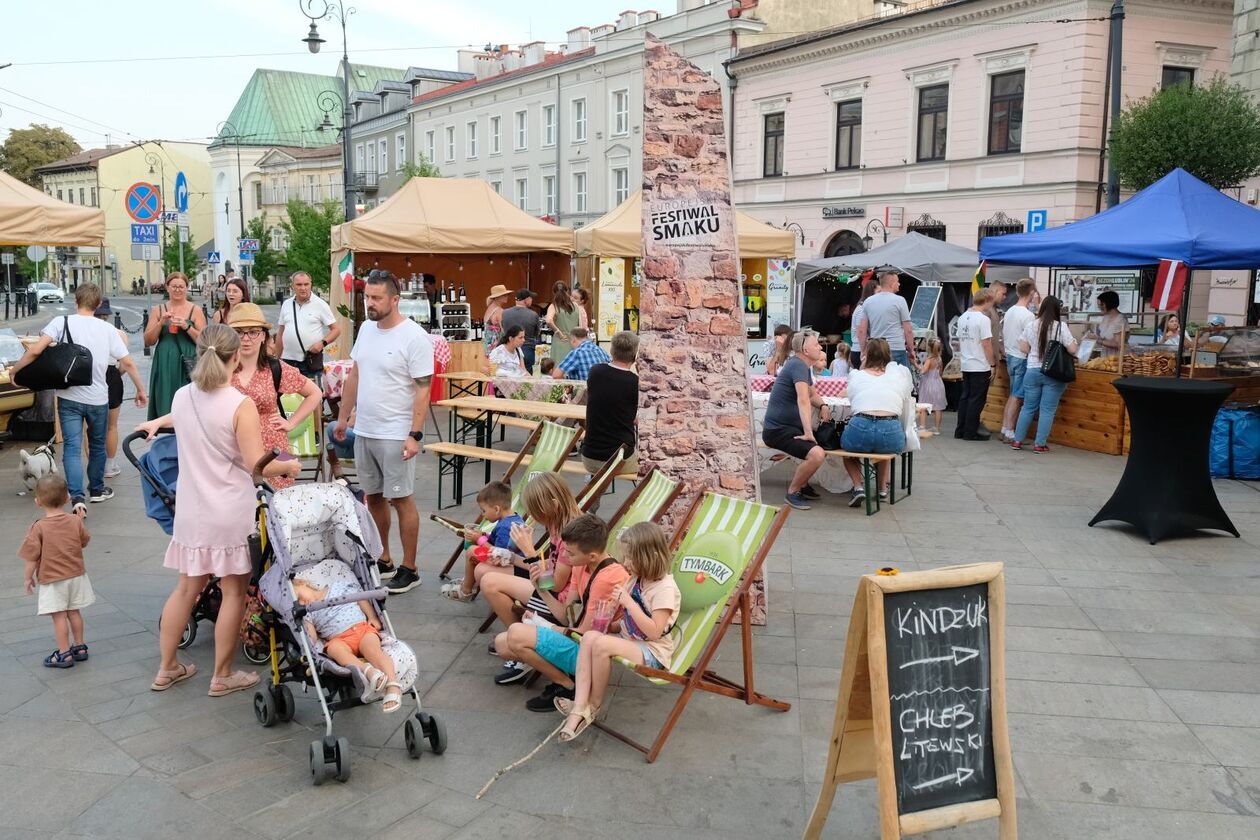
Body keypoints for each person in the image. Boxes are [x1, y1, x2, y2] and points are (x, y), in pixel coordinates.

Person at [136, 324, 300, 696]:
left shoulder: (182, 396)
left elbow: (184, 421)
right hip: (228, 509)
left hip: (192, 509)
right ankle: (222, 674)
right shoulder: (238, 405)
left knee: (186, 589)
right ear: (232, 356)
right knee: (233, 591)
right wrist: (289, 465)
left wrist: (155, 422)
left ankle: (167, 668)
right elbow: (256, 464)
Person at [331, 271, 433, 595]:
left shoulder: (414, 336)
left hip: (395, 431)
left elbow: (423, 389)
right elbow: (355, 375)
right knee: (373, 496)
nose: (370, 303)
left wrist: (414, 435)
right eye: (367, 297)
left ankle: (410, 567)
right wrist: (343, 418)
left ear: (394, 299)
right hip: (366, 429)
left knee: (401, 499)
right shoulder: (365, 329)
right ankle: (384, 557)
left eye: (376, 298)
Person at [10, 283, 147, 515]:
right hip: (98, 399)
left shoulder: (61, 323)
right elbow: (128, 362)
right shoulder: (106, 330)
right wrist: (141, 390)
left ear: (76, 301)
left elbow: (35, 351)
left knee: (72, 448)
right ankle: (96, 489)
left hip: (68, 397)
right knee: (96, 446)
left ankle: (76, 497)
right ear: (97, 304)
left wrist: (16, 370)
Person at [557, 521, 680, 741]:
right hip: (631, 640)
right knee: (591, 636)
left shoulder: (665, 589)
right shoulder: (637, 579)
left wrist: (628, 603)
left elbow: (654, 631)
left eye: (630, 558)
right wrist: (611, 626)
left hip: (653, 652)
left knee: (602, 644)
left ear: (647, 557)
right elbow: (629, 623)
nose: (625, 563)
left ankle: (592, 707)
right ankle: (579, 705)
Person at [496, 514, 628, 713]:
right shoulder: (581, 565)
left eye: (570, 553)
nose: (565, 557)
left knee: (516, 634)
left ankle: (568, 687)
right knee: (502, 644)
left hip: (592, 654)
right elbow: (566, 615)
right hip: (579, 638)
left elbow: (583, 633)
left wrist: (542, 625)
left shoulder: (606, 578)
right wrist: (540, 588)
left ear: (592, 555)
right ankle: (570, 679)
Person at [482, 473, 582, 685]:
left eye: (537, 510)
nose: (534, 516)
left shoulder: (571, 534)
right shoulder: (557, 524)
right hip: (547, 591)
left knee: (503, 645)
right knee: (489, 581)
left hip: (558, 601)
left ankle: (528, 647)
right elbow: (548, 570)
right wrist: (512, 557)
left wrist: (529, 552)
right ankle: (524, 641)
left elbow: (554, 585)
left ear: (553, 504)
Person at [227, 303, 322, 491]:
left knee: (275, 510)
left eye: (253, 332)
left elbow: (315, 393)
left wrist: (291, 422)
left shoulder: (274, 368)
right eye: (239, 332)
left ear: (263, 336)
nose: (246, 339)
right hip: (234, 446)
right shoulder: (222, 369)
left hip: (272, 447)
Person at [293, 573, 404, 713]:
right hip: (339, 639)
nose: (301, 603)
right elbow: (312, 638)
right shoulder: (307, 612)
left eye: (299, 597)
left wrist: (372, 616)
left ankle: (393, 685)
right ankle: (369, 671)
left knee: (374, 651)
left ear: (302, 583)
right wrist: (299, 621)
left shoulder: (337, 587)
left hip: (361, 628)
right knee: (334, 649)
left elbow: (360, 599)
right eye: (297, 603)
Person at [20, 475, 94, 669]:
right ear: (68, 497)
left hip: (53, 580)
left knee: (59, 617)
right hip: (77, 575)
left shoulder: (38, 527)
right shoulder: (75, 521)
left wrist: (28, 578)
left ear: (38, 502)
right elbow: (84, 541)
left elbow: (31, 557)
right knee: (74, 612)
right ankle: (80, 647)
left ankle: (64, 654)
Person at [761, 330, 832, 511]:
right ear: (805, 350)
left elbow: (811, 393)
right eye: (816, 345)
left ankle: (802, 483)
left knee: (826, 444)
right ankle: (793, 492)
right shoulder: (797, 366)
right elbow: (803, 399)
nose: (820, 347)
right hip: (777, 430)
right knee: (817, 453)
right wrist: (808, 433)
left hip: (789, 428)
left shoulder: (801, 365)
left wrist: (823, 405)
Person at [841, 338, 914, 505]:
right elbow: (906, 398)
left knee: (847, 451)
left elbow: (851, 398)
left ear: (865, 354)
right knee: (884, 452)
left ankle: (858, 487)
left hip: (861, 427)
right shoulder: (898, 375)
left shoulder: (857, 375)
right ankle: (882, 488)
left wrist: (862, 366)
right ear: (888, 355)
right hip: (890, 430)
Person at [1012, 295, 1079, 453]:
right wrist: (1075, 341)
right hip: (1053, 373)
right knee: (1047, 410)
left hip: (1032, 370)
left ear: (1041, 309)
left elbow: (1023, 347)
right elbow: (1072, 350)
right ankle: (1039, 444)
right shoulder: (1060, 327)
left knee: (1028, 407)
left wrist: (1034, 353)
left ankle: (1017, 441)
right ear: (1057, 310)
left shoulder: (1031, 325)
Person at [441, 480, 526, 603]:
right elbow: (499, 542)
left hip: (509, 566)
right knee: (472, 551)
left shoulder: (505, 527)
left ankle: (466, 590)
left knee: (471, 551)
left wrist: (479, 540)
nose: (483, 515)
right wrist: (484, 535)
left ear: (497, 509)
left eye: (484, 511)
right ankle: (468, 582)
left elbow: (501, 555)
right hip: (511, 562)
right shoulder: (513, 518)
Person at [144, 272, 206, 419]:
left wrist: (186, 326)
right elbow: (148, 340)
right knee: (165, 396)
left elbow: (204, 341)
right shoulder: (158, 310)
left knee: (189, 401)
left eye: (181, 287)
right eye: (174, 286)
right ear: (167, 288)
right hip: (164, 361)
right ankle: (166, 428)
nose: (177, 290)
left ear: (186, 288)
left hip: (188, 361)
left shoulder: (195, 310)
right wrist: (160, 323)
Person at [580, 330, 640, 478]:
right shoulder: (635, 382)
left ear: (612, 351)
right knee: (651, 463)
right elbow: (637, 420)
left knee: (596, 474)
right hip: (621, 459)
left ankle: (591, 497)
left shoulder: (595, 372)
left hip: (590, 457)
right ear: (635, 355)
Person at [275, 271, 341, 382]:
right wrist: (277, 358)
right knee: (287, 398)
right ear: (292, 286)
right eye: (299, 285)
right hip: (288, 362)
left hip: (310, 362)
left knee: (313, 396)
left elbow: (336, 330)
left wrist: (322, 343)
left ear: (311, 285)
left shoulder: (320, 304)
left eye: (306, 284)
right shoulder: (286, 304)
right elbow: (281, 332)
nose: (303, 288)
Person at [94, 298, 131, 479]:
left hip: (90, 376)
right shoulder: (119, 333)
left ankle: (96, 466)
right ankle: (110, 465)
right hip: (112, 376)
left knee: (90, 426)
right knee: (112, 426)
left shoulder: (86, 332)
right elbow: (124, 365)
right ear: (107, 314)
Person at [954, 287, 996, 441]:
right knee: (977, 399)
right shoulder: (983, 319)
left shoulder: (963, 317)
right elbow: (986, 344)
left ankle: (961, 429)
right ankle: (970, 431)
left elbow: (960, 340)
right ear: (987, 301)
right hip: (979, 363)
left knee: (965, 397)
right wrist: (992, 364)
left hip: (966, 362)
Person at [1000, 279, 1037, 443]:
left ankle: (1004, 427)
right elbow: (1030, 340)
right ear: (1031, 293)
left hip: (1010, 355)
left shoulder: (1009, 311)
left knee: (1013, 394)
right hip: (1022, 358)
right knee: (1017, 396)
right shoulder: (1028, 315)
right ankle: (1009, 430)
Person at [858, 271, 917, 369]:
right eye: (897, 281)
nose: (899, 284)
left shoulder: (868, 301)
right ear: (892, 284)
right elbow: (908, 330)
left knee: (878, 379)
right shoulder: (900, 301)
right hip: (896, 348)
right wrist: (911, 350)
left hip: (875, 349)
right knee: (900, 381)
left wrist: (863, 350)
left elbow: (861, 330)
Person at [545, 282, 587, 365]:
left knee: (559, 367)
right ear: (567, 291)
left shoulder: (554, 305)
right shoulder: (576, 306)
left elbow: (549, 320)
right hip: (574, 340)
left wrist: (558, 332)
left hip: (560, 340)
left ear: (554, 292)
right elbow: (582, 326)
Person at [500, 289, 541, 373]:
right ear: (526, 300)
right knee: (526, 382)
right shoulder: (533, 315)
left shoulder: (504, 313)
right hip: (527, 349)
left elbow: (503, 329)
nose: (532, 300)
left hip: (509, 350)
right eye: (531, 298)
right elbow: (537, 333)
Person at [916, 337, 946, 434]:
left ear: (929, 348)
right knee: (938, 407)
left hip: (928, 384)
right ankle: (937, 428)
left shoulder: (929, 359)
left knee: (923, 405)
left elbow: (923, 371)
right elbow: (941, 373)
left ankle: (922, 426)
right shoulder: (939, 359)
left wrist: (915, 364)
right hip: (938, 383)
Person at [850, 278, 877, 369]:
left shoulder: (864, 307)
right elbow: (860, 332)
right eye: (879, 291)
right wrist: (863, 350)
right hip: (859, 350)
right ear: (872, 292)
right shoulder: (862, 309)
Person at [1091, 290, 1126, 358]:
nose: (1099, 307)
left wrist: (1098, 340)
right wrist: (1094, 337)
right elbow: (1105, 338)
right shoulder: (1106, 317)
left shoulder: (1120, 320)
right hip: (1106, 356)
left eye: (1101, 305)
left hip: (1117, 357)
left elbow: (1118, 343)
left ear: (1107, 304)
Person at [482, 283, 515, 353]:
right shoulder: (499, 311)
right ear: (497, 297)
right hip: (497, 348)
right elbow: (504, 331)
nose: (507, 297)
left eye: (507, 295)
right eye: (504, 295)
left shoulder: (489, 309)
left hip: (488, 347)